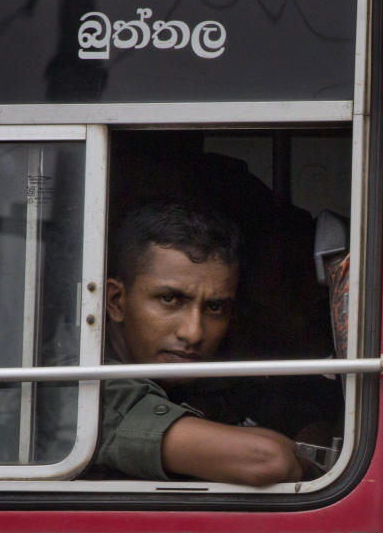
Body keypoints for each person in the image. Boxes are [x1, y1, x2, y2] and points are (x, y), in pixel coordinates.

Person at [88, 199, 304, 485]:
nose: (193, 333)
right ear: (116, 301)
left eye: (214, 308)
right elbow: (267, 460)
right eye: (169, 299)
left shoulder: (200, 372)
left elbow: (297, 415)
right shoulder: (85, 382)